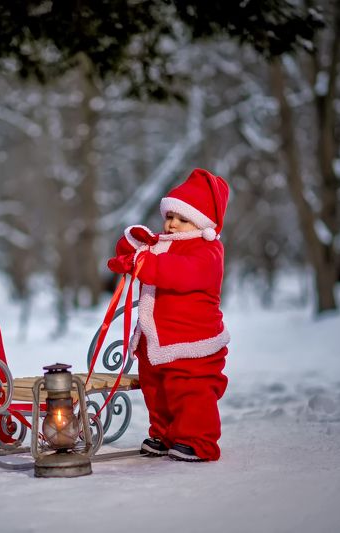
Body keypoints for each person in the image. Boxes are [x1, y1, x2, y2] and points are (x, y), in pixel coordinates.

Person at [107, 168, 230, 462]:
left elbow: (179, 272)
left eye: (182, 219)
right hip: (156, 340)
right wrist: (133, 243)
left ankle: (198, 441)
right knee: (157, 391)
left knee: (190, 392)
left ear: (202, 222)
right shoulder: (162, 244)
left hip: (191, 342)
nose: (172, 224)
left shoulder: (208, 250)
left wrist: (144, 263)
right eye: (169, 216)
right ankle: (164, 434)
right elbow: (131, 251)